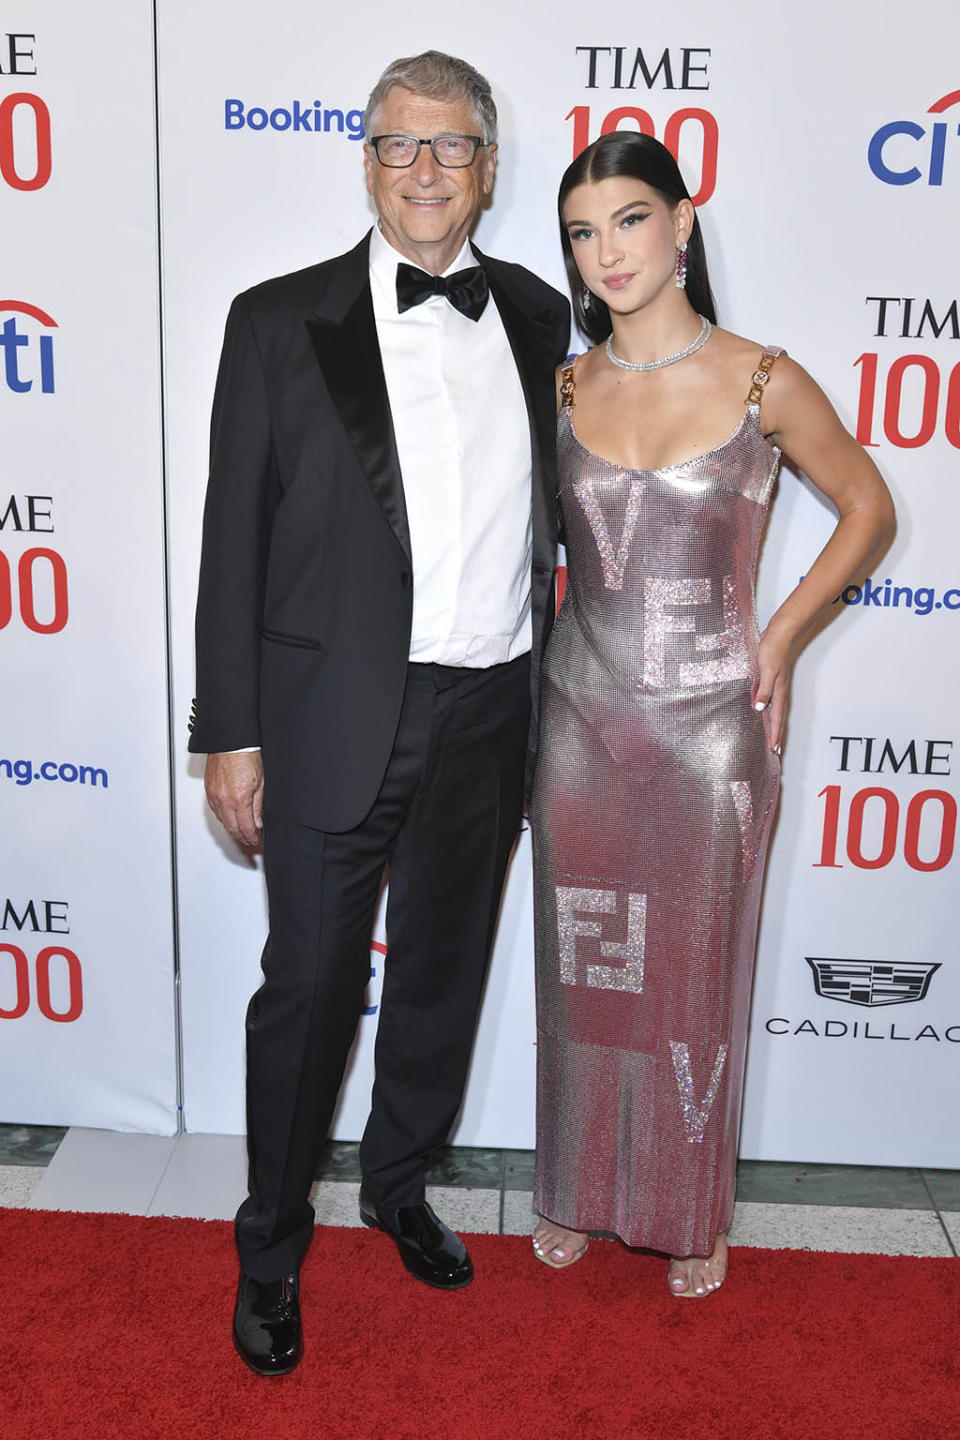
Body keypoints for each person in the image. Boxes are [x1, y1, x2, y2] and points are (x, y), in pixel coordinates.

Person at [189, 50, 569, 1374]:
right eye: (399, 145)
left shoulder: (533, 313)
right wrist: (225, 732)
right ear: (366, 160)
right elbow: (231, 539)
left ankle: (401, 1185)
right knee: (305, 989)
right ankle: (270, 1251)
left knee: (443, 978)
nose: (424, 170)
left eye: (451, 146)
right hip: (325, 718)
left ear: (488, 167)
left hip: (492, 708)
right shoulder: (275, 321)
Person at [530, 132, 894, 1297]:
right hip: (579, 723)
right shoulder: (566, 383)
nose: (607, 252)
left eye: (631, 220)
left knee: (694, 979)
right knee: (581, 972)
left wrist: (779, 637)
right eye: (584, 233)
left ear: (684, 224)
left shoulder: (761, 377)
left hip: (710, 734)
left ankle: (691, 1209)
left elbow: (868, 509)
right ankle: (580, 1188)